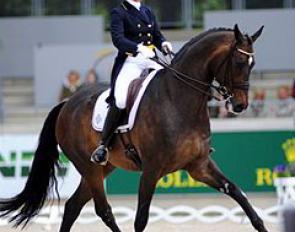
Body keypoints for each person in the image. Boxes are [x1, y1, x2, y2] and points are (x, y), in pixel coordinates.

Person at [91, 0, 173, 164]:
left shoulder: (147, 10)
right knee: (120, 100)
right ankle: (103, 145)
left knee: (172, 87)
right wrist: (137, 48)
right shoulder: (119, 12)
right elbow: (118, 39)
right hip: (131, 60)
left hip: (151, 58)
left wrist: (163, 42)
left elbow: (155, 34)